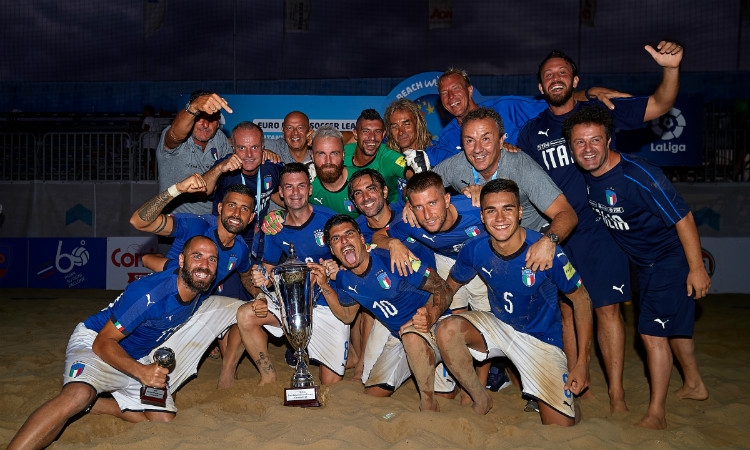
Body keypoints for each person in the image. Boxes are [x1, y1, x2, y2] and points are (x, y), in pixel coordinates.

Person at [516, 40, 685, 412]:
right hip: (557, 231)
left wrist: (670, 69)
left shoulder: (599, 109)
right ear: (541, 88)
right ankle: (580, 383)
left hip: (600, 229)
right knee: (566, 310)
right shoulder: (531, 132)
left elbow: (659, 104)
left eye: (563, 72)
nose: (555, 78)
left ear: (574, 79)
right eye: (548, 76)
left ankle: (617, 395)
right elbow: (522, 178)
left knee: (608, 310)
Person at [8, 236, 246, 450]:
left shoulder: (197, 284)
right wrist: (141, 372)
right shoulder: (149, 295)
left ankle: (97, 405)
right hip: (97, 343)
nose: (204, 265)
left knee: (164, 422)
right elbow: (103, 343)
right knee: (78, 394)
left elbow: (155, 260)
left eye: (212, 259)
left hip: (136, 356)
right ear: (182, 261)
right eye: (197, 256)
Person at [564, 105, 709, 430]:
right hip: (644, 263)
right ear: (571, 148)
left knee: (651, 334)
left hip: (668, 259)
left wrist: (696, 266)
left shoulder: (638, 175)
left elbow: (683, 217)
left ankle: (656, 413)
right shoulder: (588, 176)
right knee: (673, 325)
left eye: (595, 140)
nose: (588, 149)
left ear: (609, 140)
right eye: (580, 143)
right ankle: (695, 384)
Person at [437, 179, 594, 427]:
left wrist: (582, 362)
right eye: (491, 210)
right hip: (500, 328)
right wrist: (427, 311)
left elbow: (582, 300)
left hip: (541, 341)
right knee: (447, 329)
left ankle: (561, 399)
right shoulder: (475, 249)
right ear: (482, 215)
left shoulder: (545, 251)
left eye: (507, 209)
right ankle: (480, 397)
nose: (500, 218)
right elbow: (449, 288)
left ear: (520, 212)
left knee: (560, 427)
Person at [309, 214, 455, 411]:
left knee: (445, 395)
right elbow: (347, 316)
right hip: (400, 335)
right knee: (373, 395)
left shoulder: (391, 260)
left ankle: (434, 364)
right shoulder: (344, 279)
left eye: (349, 234)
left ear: (361, 239)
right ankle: (417, 364)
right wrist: (325, 285)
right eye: (336, 239)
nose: (344, 241)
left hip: (433, 323)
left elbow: (443, 288)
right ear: (333, 251)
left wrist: (431, 315)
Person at [129, 176, 258, 389]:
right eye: (232, 205)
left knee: (249, 311)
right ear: (220, 207)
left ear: (251, 217)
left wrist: (260, 294)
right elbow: (138, 222)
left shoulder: (241, 249)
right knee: (155, 396)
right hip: (159, 310)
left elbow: (245, 275)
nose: (236, 214)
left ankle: (227, 374)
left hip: (193, 310)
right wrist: (176, 189)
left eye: (244, 209)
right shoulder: (195, 224)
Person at [235, 162, 348, 386]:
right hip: (292, 304)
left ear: (309, 189)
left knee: (330, 382)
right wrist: (261, 280)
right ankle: (268, 375)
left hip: (328, 305)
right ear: (281, 193)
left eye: (300, 186)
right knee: (245, 314)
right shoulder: (275, 227)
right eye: (289, 187)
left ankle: (343, 354)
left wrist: (339, 267)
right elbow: (267, 269)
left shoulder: (330, 220)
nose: (295, 192)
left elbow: (355, 259)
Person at [433, 107, 578, 273]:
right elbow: (418, 187)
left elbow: (567, 213)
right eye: (469, 140)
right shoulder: (456, 166)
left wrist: (548, 241)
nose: (477, 149)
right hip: (491, 247)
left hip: (531, 241)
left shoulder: (522, 167)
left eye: (486, 139)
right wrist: (411, 202)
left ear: (502, 141)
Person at [427, 68, 624, 166]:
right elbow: (425, 163)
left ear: (469, 90)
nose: (451, 97)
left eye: (455, 89)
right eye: (444, 93)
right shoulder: (446, 138)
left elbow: (555, 103)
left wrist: (589, 93)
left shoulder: (507, 108)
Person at [156, 90, 234, 215]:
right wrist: (193, 107)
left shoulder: (220, 139)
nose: (205, 124)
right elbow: (175, 135)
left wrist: (265, 151)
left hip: (210, 224)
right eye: (199, 117)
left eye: (212, 118)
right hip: (175, 224)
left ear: (219, 121)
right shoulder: (175, 136)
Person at [345, 108, 410, 204]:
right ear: (355, 134)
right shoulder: (342, 153)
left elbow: (416, 175)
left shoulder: (389, 157)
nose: (372, 137)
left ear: (383, 134)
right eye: (366, 131)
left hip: (388, 214)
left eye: (377, 131)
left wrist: (410, 200)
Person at [309, 125, 359, 217]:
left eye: (334, 153)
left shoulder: (361, 180)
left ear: (343, 154)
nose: (328, 161)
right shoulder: (306, 184)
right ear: (312, 156)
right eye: (321, 154)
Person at [383, 98, 443, 173]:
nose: (401, 132)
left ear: (418, 124)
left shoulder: (438, 154)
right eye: (395, 126)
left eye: (406, 124)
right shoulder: (389, 158)